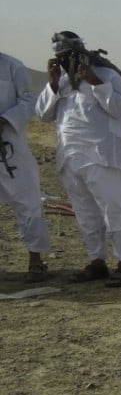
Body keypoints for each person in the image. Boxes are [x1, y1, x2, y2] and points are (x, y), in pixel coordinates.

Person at [36, 31, 121, 286]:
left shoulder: (107, 77)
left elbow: (119, 109)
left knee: (115, 209)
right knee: (87, 213)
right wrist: (53, 83)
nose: (65, 61)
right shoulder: (61, 82)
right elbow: (43, 114)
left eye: (68, 55)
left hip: (102, 156)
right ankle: (97, 261)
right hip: (70, 157)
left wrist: (94, 80)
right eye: (60, 57)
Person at [0, 48, 51, 282]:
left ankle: (35, 261)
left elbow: (28, 100)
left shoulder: (13, 66)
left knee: (27, 200)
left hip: (10, 147)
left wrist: (5, 120)